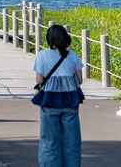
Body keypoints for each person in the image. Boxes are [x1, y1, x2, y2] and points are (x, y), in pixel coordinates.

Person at [33, 24, 85, 167]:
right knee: (72, 140)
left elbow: (39, 80)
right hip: (70, 99)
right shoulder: (73, 55)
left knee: (49, 139)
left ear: (49, 39)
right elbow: (80, 80)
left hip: (50, 100)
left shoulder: (42, 55)